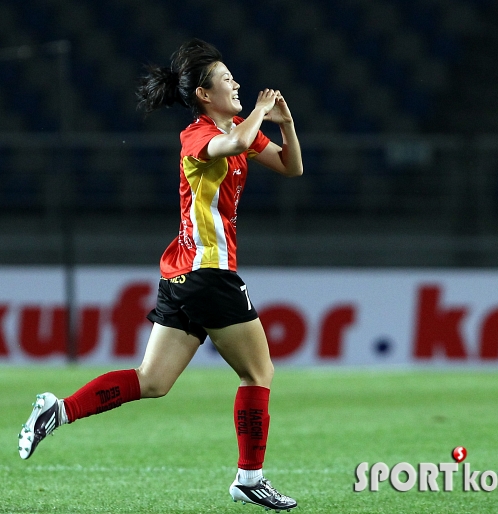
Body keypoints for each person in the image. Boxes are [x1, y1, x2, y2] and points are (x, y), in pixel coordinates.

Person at [18, 38, 303, 512]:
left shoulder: (241, 130)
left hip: (183, 276)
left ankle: (58, 409)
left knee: (153, 381)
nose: (236, 82)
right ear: (204, 96)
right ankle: (249, 478)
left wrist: (287, 124)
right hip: (208, 271)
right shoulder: (197, 135)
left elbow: (291, 167)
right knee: (258, 371)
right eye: (226, 78)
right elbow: (231, 141)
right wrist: (258, 111)